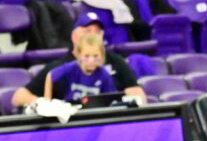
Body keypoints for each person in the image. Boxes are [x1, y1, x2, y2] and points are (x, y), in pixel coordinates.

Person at [11, 11, 145, 109]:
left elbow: (136, 93)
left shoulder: (115, 62)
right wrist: (46, 105)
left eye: (98, 32)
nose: (93, 36)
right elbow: (19, 96)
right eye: (88, 31)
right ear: (74, 36)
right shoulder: (61, 65)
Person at [44, 32, 116, 102]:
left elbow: (110, 98)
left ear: (102, 55)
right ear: (79, 55)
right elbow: (50, 75)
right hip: (72, 110)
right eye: (86, 56)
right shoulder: (71, 67)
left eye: (96, 56)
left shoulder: (104, 74)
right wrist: (47, 102)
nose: (91, 60)